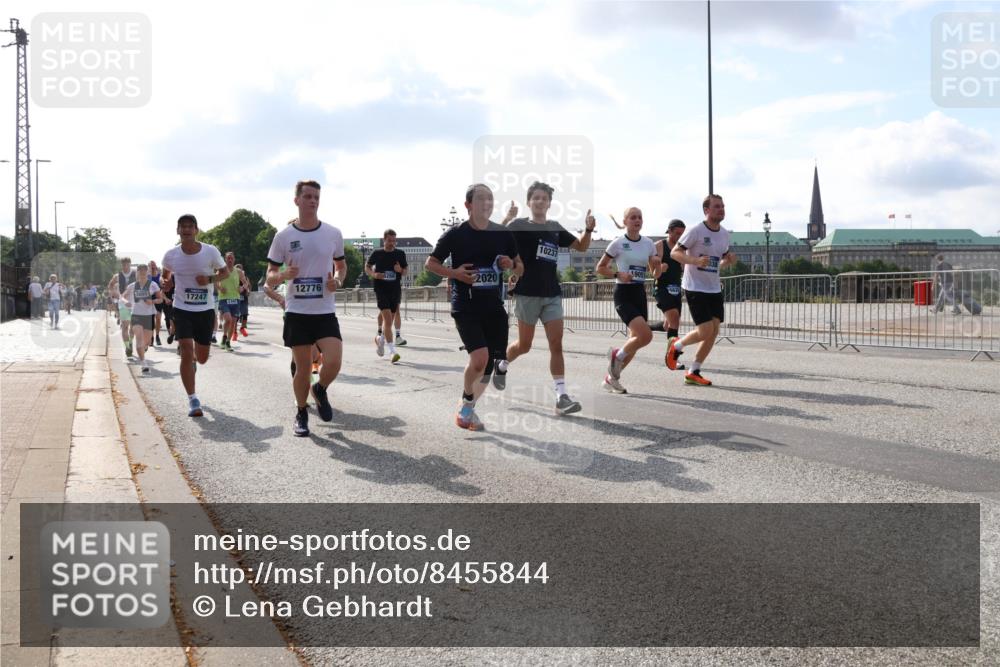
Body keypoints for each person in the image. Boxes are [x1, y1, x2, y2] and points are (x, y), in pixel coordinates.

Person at [426, 183, 522, 431]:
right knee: (479, 359)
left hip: (494, 306)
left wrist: (509, 263)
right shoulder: (455, 234)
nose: (487, 203)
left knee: (489, 366)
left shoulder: (502, 233)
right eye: (481, 199)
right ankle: (467, 402)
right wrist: (455, 273)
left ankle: (468, 405)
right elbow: (431, 263)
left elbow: (519, 265)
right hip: (465, 305)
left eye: (490, 199)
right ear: (468, 205)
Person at [500, 181, 595, 415]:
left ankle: (561, 396)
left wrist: (589, 229)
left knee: (556, 344)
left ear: (550, 203)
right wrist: (506, 218)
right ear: (529, 202)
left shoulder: (554, 227)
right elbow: (496, 238)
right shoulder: (519, 225)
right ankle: (501, 364)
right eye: (536, 198)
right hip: (527, 293)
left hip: (552, 293)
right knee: (524, 346)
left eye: (544, 198)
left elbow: (581, 247)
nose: (540, 201)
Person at [266, 180, 347, 437]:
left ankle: (320, 388)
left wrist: (339, 280)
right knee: (302, 368)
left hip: (324, 310)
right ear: (297, 200)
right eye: (308, 196)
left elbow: (341, 267)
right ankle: (301, 412)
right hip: (297, 312)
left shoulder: (333, 233)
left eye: (316, 197)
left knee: (333, 361)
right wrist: (282, 275)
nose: (313, 201)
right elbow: (269, 274)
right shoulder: (284, 237)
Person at [666, 194, 737, 386]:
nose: (721, 209)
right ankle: (676, 346)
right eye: (716, 206)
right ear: (706, 210)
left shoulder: (724, 234)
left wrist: (727, 261)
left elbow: (717, 262)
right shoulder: (696, 230)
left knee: (713, 331)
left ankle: (694, 371)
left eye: (722, 206)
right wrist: (695, 260)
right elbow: (675, 253)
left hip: (714, 287)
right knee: (705, 330)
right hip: (695, 286)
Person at [162, 214, 229, 417]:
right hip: (182, 308)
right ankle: (193, 399)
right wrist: (168, 283)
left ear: (196, 230)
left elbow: (225, 272)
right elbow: (166, 276)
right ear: (177, 231)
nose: (186, 230)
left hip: (205, 310)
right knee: (186, 349)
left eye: (190, 227)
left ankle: (192, 362)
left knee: (202, 358)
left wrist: (208, 278)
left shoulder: (210, 251)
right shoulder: (171, 255)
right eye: (182, 227)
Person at [596, 207, 661, 394]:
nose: (637, 220)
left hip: (639, 292)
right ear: (625, 222)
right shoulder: (617, 243)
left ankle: (611, 379)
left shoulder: (648, 243)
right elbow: (600, 268)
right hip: (623, 293)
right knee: (645, 336)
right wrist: (618, 273)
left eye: (640, 217)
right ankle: (617, 355)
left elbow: (654, 272)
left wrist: (658, 267)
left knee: (635, 341)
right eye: (633, 217)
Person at [650, 219, 687, 370]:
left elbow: (686, 269)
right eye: (677, 233)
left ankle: (647, 328)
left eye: (682, 234)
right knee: (674, 320)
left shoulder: (682, 249)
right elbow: (653, 273)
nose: (680, 237)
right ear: (669, 231)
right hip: (662, 288)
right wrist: (660, 268)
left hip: (676, 289)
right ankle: (672, 358)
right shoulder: (659, 246)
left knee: (668, 325)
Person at [367, 229, 408, 364]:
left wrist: (400, 270)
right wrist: (374, 275)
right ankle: (392, 351)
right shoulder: (377, 253)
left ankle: (380, 340)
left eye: (394, 241)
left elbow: (405, 271)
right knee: (388, 321)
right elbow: (367, 267)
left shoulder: (400, 254)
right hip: (381, 290)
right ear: (384, 239)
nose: (392, 243)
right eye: (389, 240)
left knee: (389, 320)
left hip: (395, 290)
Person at [122, 264, 162, 374]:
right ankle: (143, 362)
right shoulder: (132, 286)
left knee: (147, 342)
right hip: (136, 315)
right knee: (139, 338)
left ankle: (143, 349)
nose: (143, 274)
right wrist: (127, 303)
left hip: (148, 316)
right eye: (140, 272)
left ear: (147, 273)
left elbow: (160, 299)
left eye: (145, 272)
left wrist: (152, 301)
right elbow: (123, 297)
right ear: (137, 273)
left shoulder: (153, 285)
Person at [215, 252, 250, 352]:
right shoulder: (221, 270)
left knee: (233, 322)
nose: (230, 260)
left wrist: (242, 288)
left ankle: (227, 342)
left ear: (234, 259)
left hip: (236, 299)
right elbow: (215, 281)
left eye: (231, 258)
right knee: (228, 319)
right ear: (225, 260)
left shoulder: (238, 271)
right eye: (228, 258)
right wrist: (220, 288)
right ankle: (224, 336)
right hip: (224, 299)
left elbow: (245, 282)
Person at [108, 258, 136, 357]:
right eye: (123, 265)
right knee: (125, 326)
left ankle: (131, 342)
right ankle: (127, 347)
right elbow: (110, 285)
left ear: (130, 264)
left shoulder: (135, 274)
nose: (125, 267)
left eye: (127, 264)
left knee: (133, 327)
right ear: (121, 265)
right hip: (123, 303)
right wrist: (113, 293)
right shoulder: (117, 276)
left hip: (134, 303)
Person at [149, 261, 165, 345]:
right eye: (150, 266)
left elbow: (163, 283)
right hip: (150, 299)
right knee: (151, 319)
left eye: (153, 266)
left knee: (158, 318)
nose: (152, 268)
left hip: (158, 299)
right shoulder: (147, 276)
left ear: (156, 267)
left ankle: (157, 336)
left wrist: (162, 284)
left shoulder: (159, 276)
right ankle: (151, 337)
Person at [236, 263, 250, 338]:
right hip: (235, 297)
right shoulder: (234, 277)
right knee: (236, 316)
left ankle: (242, 328)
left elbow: (247, 284)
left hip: (244, 297)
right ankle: (234, 331)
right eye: (238, 268)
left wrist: (248, 291)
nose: (239, 270)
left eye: (240, 268)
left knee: (245, 314)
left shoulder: (245, 277)